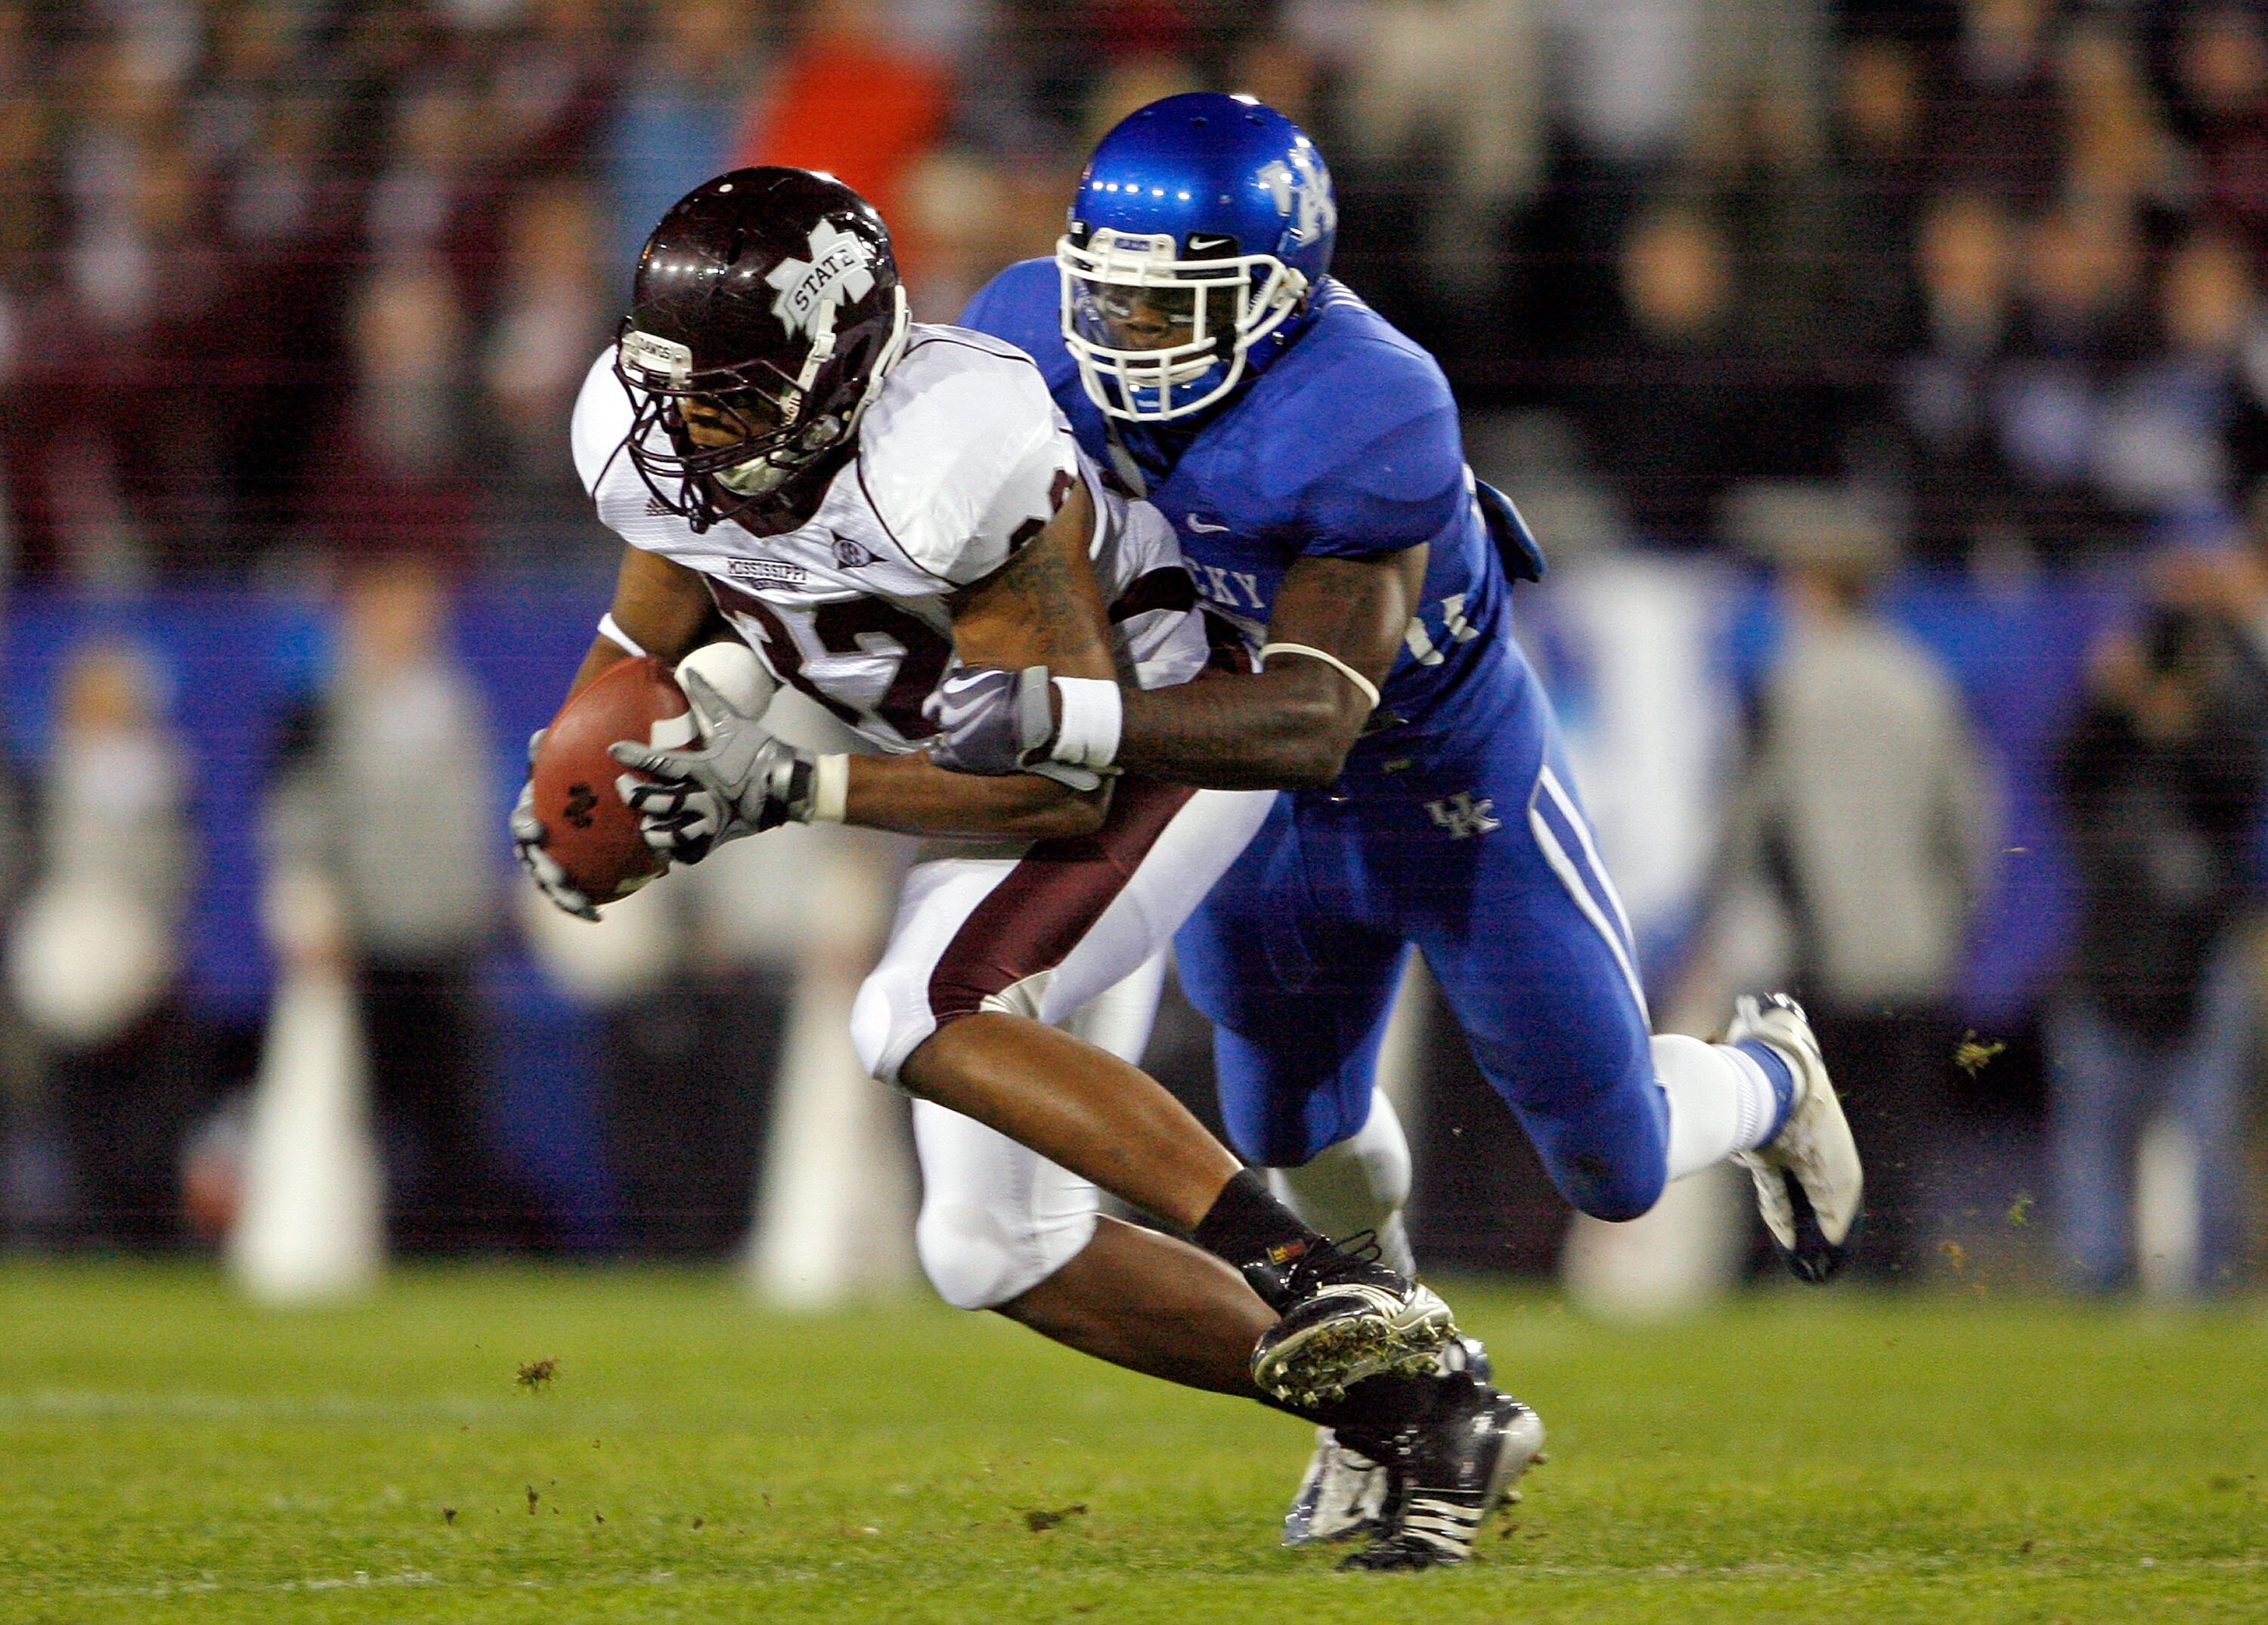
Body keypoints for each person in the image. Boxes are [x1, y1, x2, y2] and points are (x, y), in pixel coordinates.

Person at [509, 167, 1539, 1570]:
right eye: (671, 384)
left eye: (733, 394)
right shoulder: (653, 438)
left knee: (919, 1009)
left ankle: (1329, 1281)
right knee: (994, 1248)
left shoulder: (954, 451)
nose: (688, 424)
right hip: (979, 762)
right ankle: (1419, 1406)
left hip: (1143, 733)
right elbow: (648, 632)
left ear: (838, 366)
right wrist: (589, 786)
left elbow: (1060, 778)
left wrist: (792, 788)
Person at [941, 92, 1865, 1551]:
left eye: (1167, 304)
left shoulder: (1365, 406)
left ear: (1278, 295)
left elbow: (1313, 713)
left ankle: (1766, 1080)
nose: (1121, 333)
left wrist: (1068, 719)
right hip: (1250, 800)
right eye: (1105, 292)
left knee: (1614, 1165)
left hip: (1442, 782)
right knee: (1284, 1126)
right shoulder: (1024, 336)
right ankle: (1395, 1386)